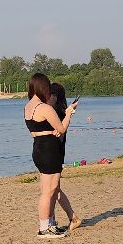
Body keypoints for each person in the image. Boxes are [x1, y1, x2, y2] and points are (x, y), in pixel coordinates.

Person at [24, 73, 76, 237]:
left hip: (39, 148)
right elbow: (61, 129)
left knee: (50, 190)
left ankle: (51, 223)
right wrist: (68, 114)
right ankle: (44, 227)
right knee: (49, 190)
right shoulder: (44, 107)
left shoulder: (28, 106)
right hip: (49, 150)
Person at [47, 83, 81, 230]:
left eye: (51, 94)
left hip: (54, 151)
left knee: (54, 189)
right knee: (55, 189)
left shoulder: (56, 112)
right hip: (56, 150)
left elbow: (60, 133)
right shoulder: (61, 111)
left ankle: (57, 219)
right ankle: (71, 217)